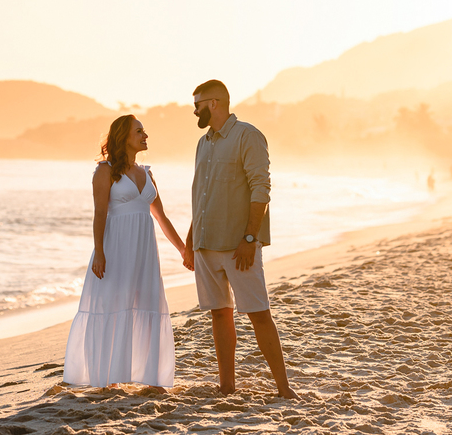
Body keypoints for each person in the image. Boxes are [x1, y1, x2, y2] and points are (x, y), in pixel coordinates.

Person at [185, 80, 297, 398]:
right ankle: (226, 385)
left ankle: (284, 387)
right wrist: (190, 242)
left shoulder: (248, 135)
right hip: (205, 244)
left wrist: (250, 238)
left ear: (215, 103)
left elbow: (261, 188)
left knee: (259, 313)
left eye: (198, 104)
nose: (194, 110)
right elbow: (202, 197)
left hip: (238, 246)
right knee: (219, 313)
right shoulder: (203, 143)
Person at [63, 114, 187, 388]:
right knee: (114, 307)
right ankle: (107, 377)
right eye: (139, 131)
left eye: (145, 130)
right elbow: (99, 214)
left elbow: (162, 217)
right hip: (115, 249)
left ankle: (145, 375)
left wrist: (183, 250)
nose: (145, 136)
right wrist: (99, 252)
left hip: (144, 253)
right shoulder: (105, 171)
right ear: (124, 137)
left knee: (146, 306)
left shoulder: (148, 173)